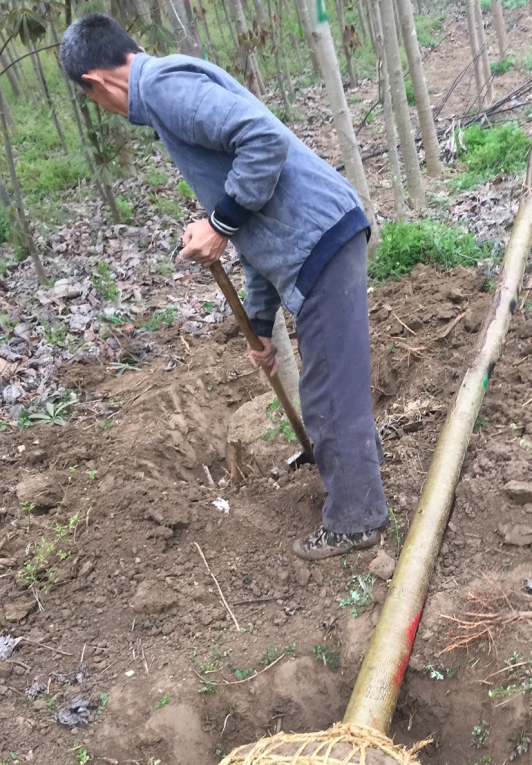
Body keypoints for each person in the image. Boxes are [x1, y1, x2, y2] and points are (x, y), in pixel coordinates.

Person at [59, 14, 388, 560]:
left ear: (95, 83)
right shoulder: (168, 91)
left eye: (94, 101)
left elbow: (262, 139)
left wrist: (218, 224)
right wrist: (259, 326)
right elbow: (258, 228)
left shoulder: (163, 86)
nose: (106, 112)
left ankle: (357, 518)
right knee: (333, 383)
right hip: (315, 239)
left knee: (329, 391)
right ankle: (354, 484)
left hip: (321, 238)